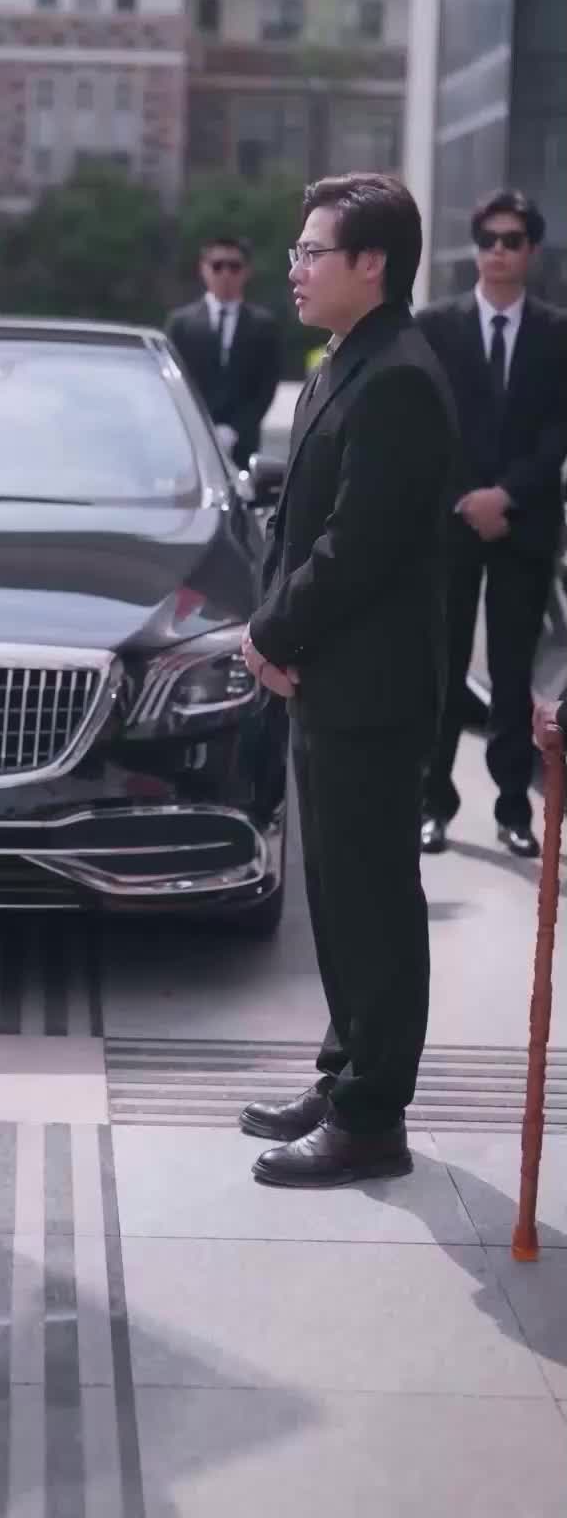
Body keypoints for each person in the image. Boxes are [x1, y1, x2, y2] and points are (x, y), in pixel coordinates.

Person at [237, 174, 457, 1188]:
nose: (295, 267)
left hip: (372, 689)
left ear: (373, 264)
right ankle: (342, 1075)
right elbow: (299, 523)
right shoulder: (346, 360)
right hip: (327, 677)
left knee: (374, 901)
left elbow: (356, 544)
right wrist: (279, 634)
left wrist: (271, 630)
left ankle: (373, 1116)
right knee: (334, 891)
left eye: (312, 250)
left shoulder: (400, 376)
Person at [417, 190, 567, 860]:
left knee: (510, 674)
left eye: (511, 241)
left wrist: (504, 496)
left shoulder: (557, 332)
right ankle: (432, 805)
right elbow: (428, 422)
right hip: (452, 521)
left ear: (530, 251)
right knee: (443, 668)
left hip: (523, 522)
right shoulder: (435, 326)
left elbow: (558, 430)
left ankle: (512, 810)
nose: (498, 252)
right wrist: (467, 498)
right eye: (488, 241)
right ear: (475, 250)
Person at [167, 236, 281, 466]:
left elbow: (266, 387)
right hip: (190, 439)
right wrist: (200, 427)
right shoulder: (181, 324)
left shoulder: (263, 325)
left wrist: (235, 429)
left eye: (234, 266)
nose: (226, 273)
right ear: (203, 269)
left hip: (243, 444)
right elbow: (173, 383)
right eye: (217, 266)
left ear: (246, 271)